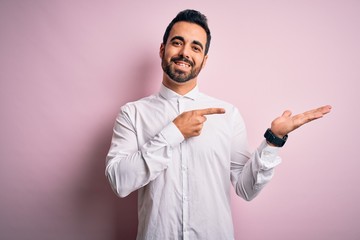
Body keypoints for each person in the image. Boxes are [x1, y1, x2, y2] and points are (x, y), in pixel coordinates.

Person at [105, 9, 331, 240]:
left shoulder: (227, 115)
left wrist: (273, 140)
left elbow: (246, 189)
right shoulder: (132, 114)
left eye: (196, 47)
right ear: (162, 49)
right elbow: (119, 182)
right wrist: (172, 132)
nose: (184, 53)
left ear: (204, 59)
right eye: (177, 42)